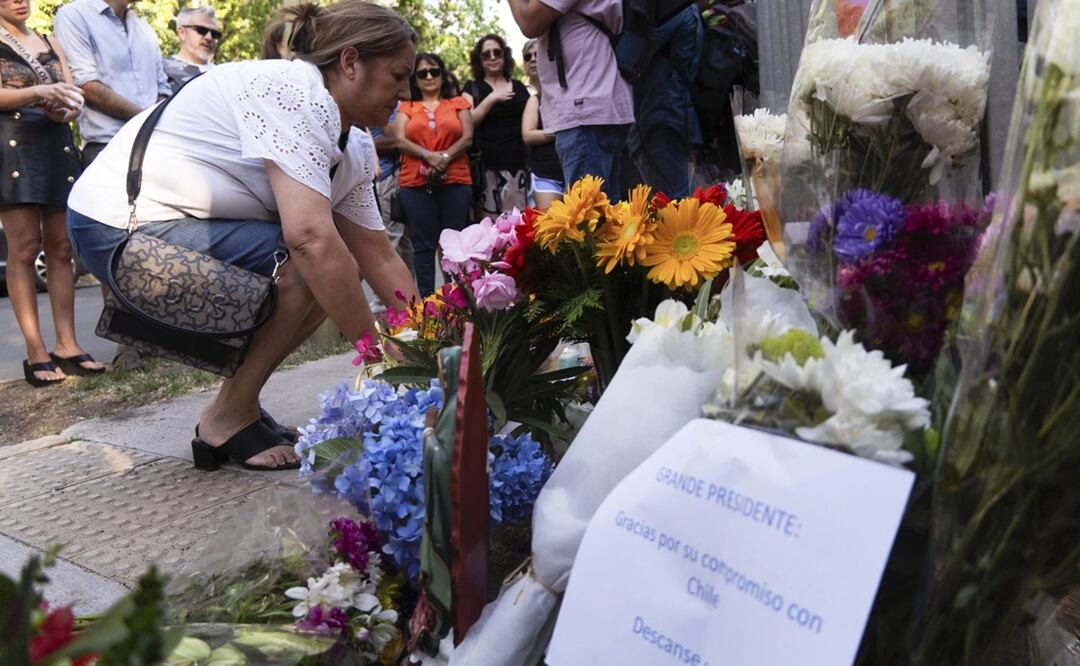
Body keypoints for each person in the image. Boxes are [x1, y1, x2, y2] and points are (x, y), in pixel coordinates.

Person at [66, 0, 420, 470]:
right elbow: (310, 240)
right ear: (351, 61)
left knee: (329, 270)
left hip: (162, 225)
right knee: (307, 263)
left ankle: (236, 407)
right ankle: (227, 418)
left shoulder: (350, 141)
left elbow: (379, 256)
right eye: (398, 75)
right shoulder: (292, 92)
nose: (406, 90)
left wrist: (431, 346)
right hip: (114, 226)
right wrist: (383, 358)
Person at [54, 0, 172, 371]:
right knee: (115, 242)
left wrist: (160, 119)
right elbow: (86, 84)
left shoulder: (143, 27)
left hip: (153, 144)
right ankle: (128, 345)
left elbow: (162, 86)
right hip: (107, 145)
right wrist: (147, 118)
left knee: (155, 240)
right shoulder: (75, 15)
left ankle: (158, 338)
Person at [0, 0, 102, 386]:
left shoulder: (50, 41)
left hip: (55, 142)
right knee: (25, 250)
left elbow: (73, 96)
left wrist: (67, 109)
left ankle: (68, 344)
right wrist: (41, 90)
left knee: (61, 249)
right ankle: (35, 352)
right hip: (12, 146)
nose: (19, 1)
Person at [507, 0, 633, 202]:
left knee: (588, 221)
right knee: (608, 219)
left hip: (585, 112)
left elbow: (529, 21)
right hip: (596, 108)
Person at [394, 52, 473, 297]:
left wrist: (445, 156)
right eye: (422, 73)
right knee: (423, 246)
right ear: (414, 79)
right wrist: (428, 155)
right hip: (415, 183)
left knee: (454, 245)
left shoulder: (458, 103)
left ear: (443, 75)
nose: (429, 76)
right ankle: (427, 306)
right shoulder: (407, 106)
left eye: (434, 71)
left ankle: (460, 303)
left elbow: (467, 137)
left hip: (456, 180)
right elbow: (399, 139)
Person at [628, 3, 703, 198]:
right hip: (663, 111)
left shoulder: (674, 10)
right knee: (668, 195)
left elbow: (632, 51)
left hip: (661, 112)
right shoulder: (683, 10)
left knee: (672, 199)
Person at [462, 34, 529, 217]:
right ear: (479, 60)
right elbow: (468, 122)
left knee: (519, 224)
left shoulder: (519, 87)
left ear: (504, 56)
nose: (492, 57)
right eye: (486, 54)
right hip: (487, 168)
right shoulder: (472, 88)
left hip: (520, 166)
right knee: (490, 228)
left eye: (497, 52)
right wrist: (492, 98)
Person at [520, 38, 563, 211]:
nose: (532, 59)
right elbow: (528, 135)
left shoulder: (567, 90)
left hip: (576, 169)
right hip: (546, 174)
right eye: (527, 56)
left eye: (537, 55)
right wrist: (558, 132)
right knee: (550, 232)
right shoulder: (534, 99)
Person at [371, 112, 413, 273]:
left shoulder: (395, 103)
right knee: (395, 237)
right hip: (383, 176)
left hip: (392, 175)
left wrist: (367, 142)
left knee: (398, 238)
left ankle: (400, 293)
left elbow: (396, 138)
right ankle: (403, 293)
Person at [163, 6, 221, 91]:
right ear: (182, 33)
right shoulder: (161, 70)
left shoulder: (222, 75)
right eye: (201, 30)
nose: (209, 38)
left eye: (214, 34)